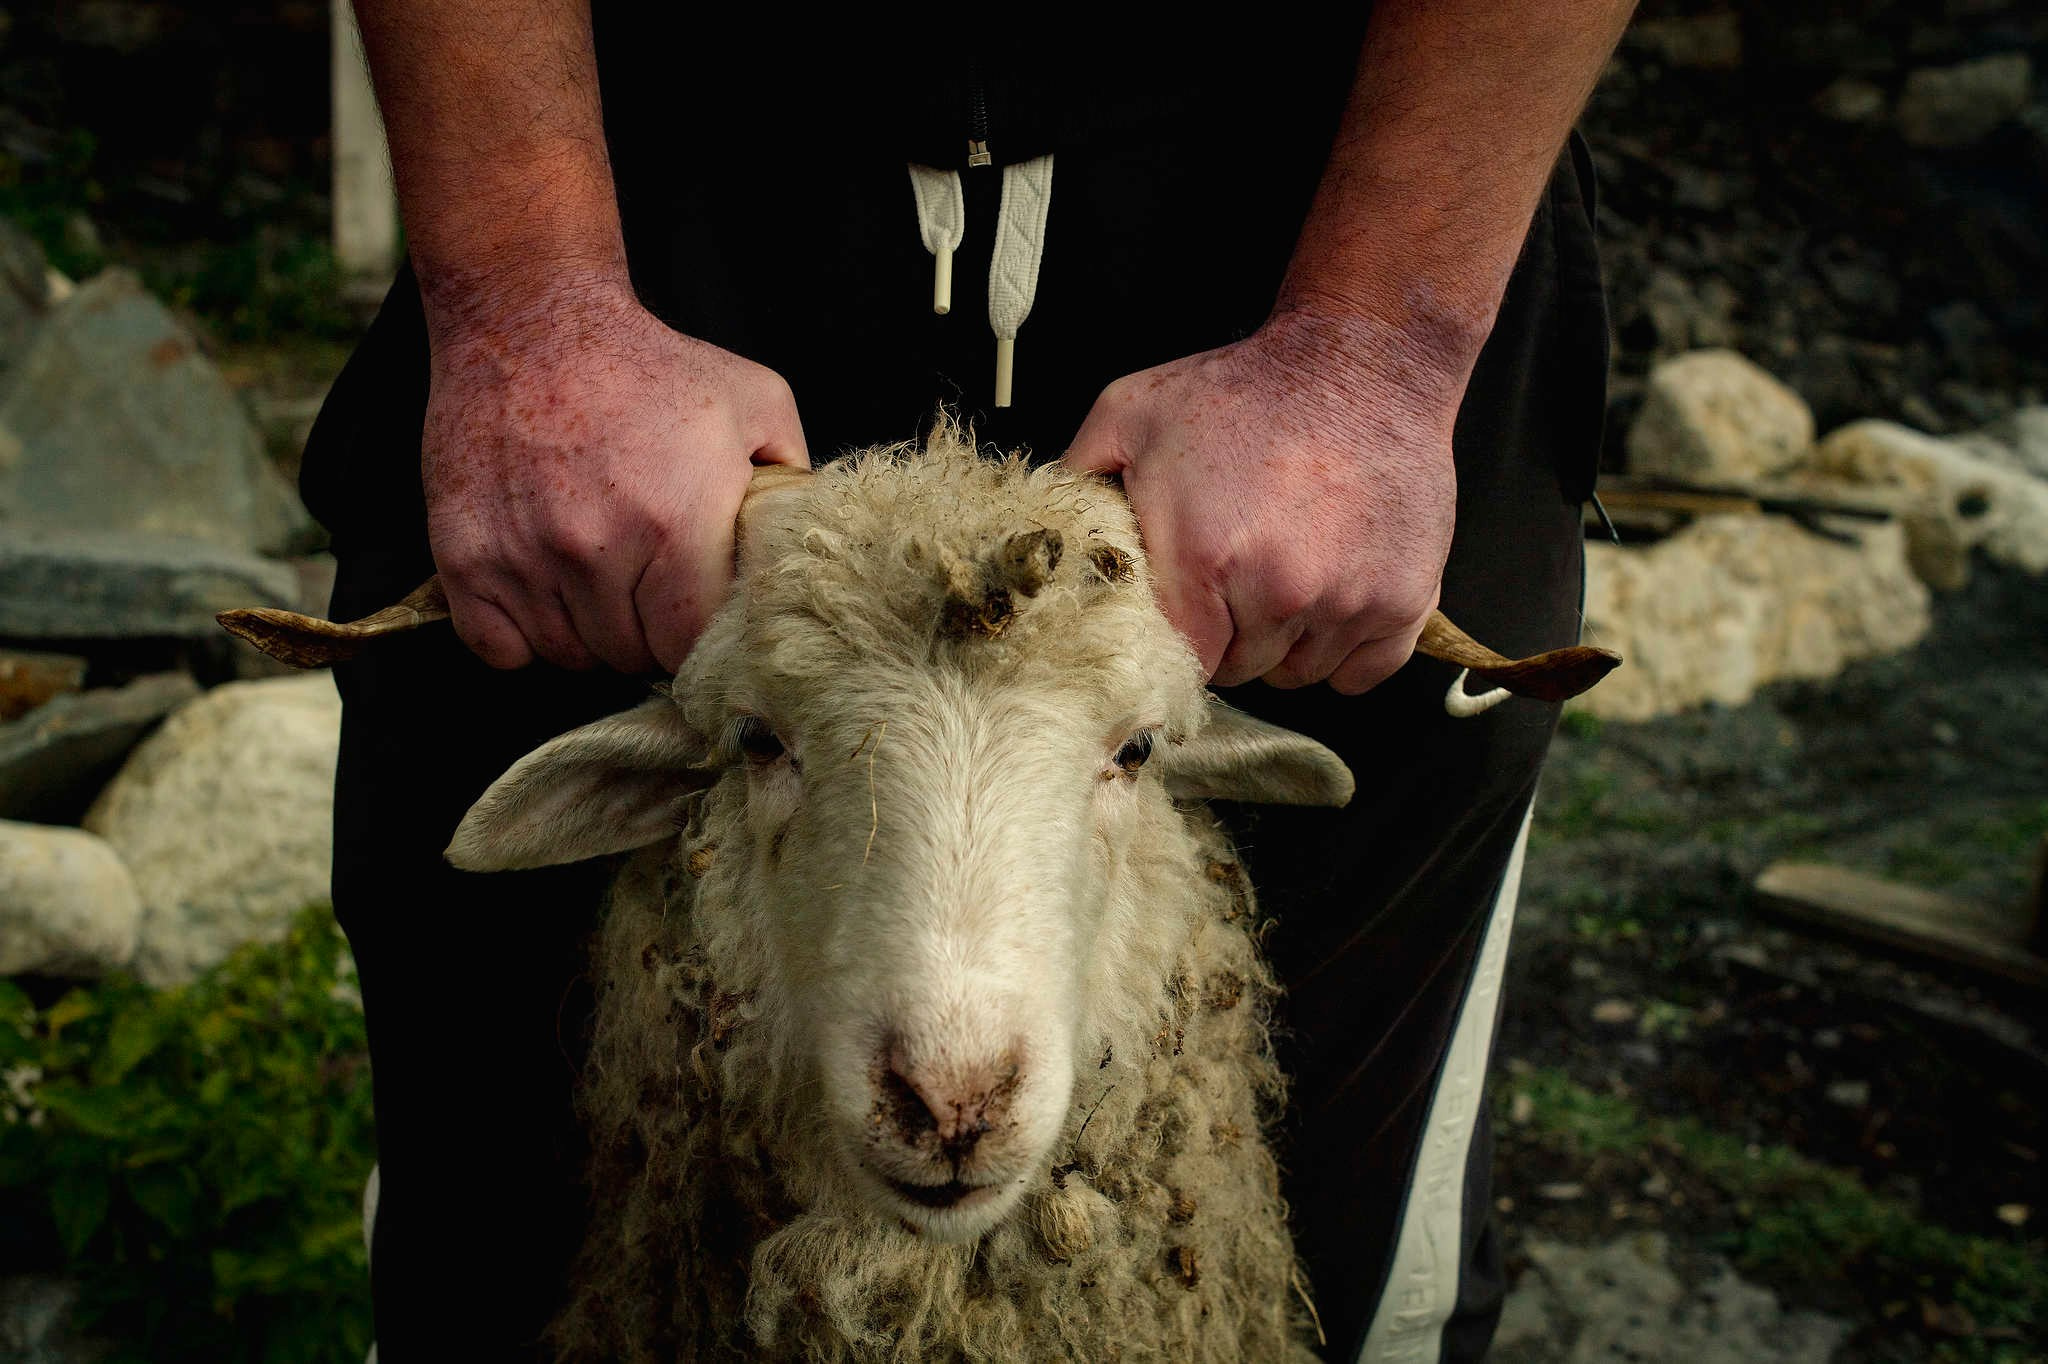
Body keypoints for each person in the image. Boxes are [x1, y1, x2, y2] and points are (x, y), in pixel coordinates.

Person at [302, 5, 1633, 1360]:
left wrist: (1376, 348)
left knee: (1318, 1244)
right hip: (625, 203)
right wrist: (528, 297)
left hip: (1342, 218)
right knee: (526, 1235)